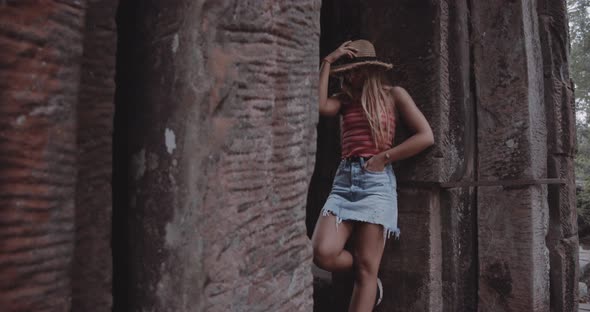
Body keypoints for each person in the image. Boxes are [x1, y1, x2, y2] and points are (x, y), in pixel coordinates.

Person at [312, 39, 434, 311]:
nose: (351, 76)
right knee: (322, 252)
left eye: (357, 70)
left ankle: (369, 274)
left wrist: (384, 157)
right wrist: (328, 62)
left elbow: (425, 136)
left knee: (365, 273)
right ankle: (368, 267)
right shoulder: (343, 100)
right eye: (348, 71)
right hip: (344, 182)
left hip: (375, 182)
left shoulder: (394, 95)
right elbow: (320, 107)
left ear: (371, 69)